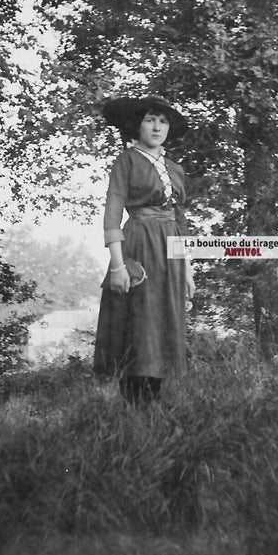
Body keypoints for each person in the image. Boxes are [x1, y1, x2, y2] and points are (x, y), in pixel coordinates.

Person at [93, 95, 195, 406]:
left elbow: (179, 219)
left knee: (163, 322)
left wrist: (188, 268)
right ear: (137, 126)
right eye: (151, 119)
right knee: (139, 324)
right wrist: (118, 265)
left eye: (163, 121)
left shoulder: (175, 169)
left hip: (171, 251)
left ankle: (154, 405)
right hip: (139, 243)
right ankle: (134, 406)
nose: (157, 126)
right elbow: (113, 212)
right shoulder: (126, 161)